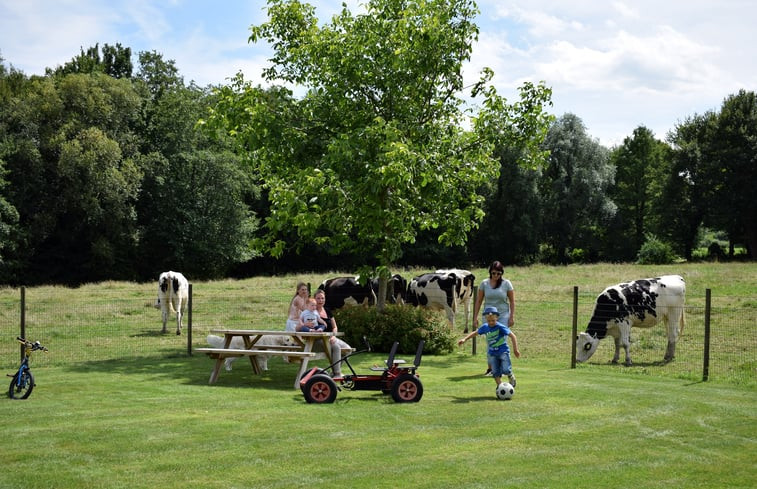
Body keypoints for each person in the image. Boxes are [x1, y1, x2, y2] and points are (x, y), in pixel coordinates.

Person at [458, 306, 520, 387]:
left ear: (497, 318)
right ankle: (500, 387)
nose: (491, 322)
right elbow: (475, 333)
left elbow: (513, 336)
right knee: (495, 372)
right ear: (486, 319)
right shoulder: (485, 327)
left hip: (503, 351)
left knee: (506, 370)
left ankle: (510, 375)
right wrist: (464, 339)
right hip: (492, 353)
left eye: (493, 320)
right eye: (489, 321)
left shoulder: (500, 327)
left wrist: (515, 349)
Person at [472, 261, 515, 375]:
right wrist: (475, 317)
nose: (496, 276)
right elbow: (479, 301)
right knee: (490, 342)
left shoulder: (507, 284)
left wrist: (511, 317)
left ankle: (502, 367)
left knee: (501, 342)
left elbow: (511, 301)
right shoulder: (484, 284)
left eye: (499, 274)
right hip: (488, 317)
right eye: (494, 273)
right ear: (490, 272)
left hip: (503, 316)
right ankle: (491, 368)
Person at [314, 289, 352, 378]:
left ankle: (334, 371)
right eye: (318, 298)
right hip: (318, 340)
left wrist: (333, 336)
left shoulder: (327, 311)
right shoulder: (312, 312)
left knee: (348, 350)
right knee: (336, 347)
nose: (320, 300)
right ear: (314, 299)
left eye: (322, 298)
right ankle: (337, 374)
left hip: (331, 338)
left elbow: (334, 327)